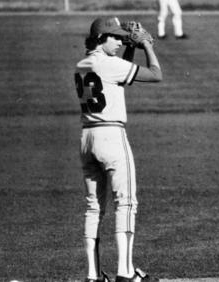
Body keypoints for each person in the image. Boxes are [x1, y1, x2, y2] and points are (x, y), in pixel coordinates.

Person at [74, 16, 162, 282]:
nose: (121, 40)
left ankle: (93, 275)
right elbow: (156, 75)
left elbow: (118, 78)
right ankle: (126, 273)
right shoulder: (111, 64)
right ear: (101, 39)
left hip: (87, 139)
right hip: (111, 137)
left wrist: (129, 48)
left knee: (93, 207)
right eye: (115, 37)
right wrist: (146, 45)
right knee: (126, 202)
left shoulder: (82, 64)